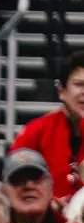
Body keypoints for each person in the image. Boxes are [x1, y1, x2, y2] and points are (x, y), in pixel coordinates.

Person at [11, 52, 84, 200]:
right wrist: (47, 204)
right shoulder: (35, 132)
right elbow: (11, 184)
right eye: (79, 85)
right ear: (61, 91)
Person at [3, 149, 67, 223]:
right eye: (18, 180)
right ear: (4, 191)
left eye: (36, 178)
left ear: (51, 188)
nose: (29, 185)